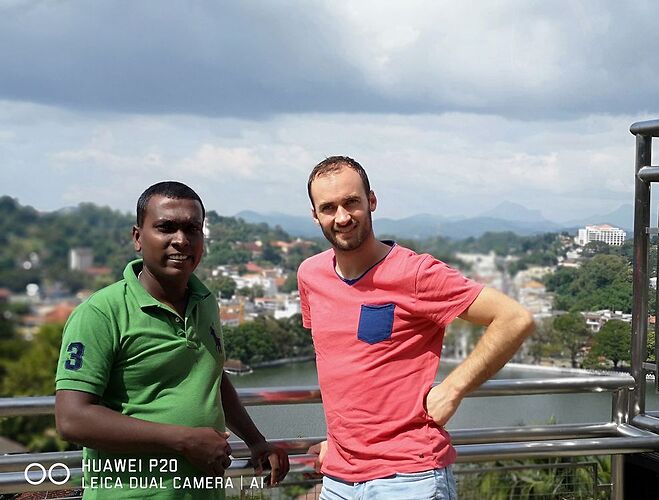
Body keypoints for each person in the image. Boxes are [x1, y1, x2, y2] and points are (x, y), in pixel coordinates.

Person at [298, 157, 534, 499]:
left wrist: (454, 388)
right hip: (339, 478)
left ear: (371, 201)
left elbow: (514, 318)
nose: (343, 217)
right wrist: (339, 440)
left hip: (410, 476)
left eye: (351, 202)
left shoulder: (416, 273)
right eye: (328, 207)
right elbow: (344, 365)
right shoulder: (310, 275)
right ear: (315, 216)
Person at [55, 181, 289, 499]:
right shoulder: (101, 313)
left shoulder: (205, 301)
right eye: (166, 228)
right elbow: (72, 419)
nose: (181, 241)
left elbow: (212, 376)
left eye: (192, 229)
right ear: (138, 237)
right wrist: (184, 440)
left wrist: (255, 440)